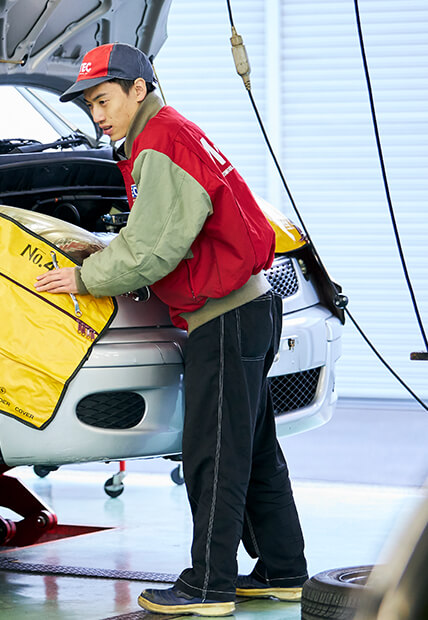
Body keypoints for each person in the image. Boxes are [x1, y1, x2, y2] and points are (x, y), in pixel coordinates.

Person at [36, 43, 308, 617]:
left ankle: (208, 585)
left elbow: (154, 250)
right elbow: (166, 232)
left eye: (104, 100)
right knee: (253, 449)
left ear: (139, 88)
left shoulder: (160, 141)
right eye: (90, 106)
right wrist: (108, 248)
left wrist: (86, 276)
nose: (98, 115)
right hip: (250, 309)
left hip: (224, 317)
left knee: (214, 453)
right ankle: (284, 569)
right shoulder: (169, 133)